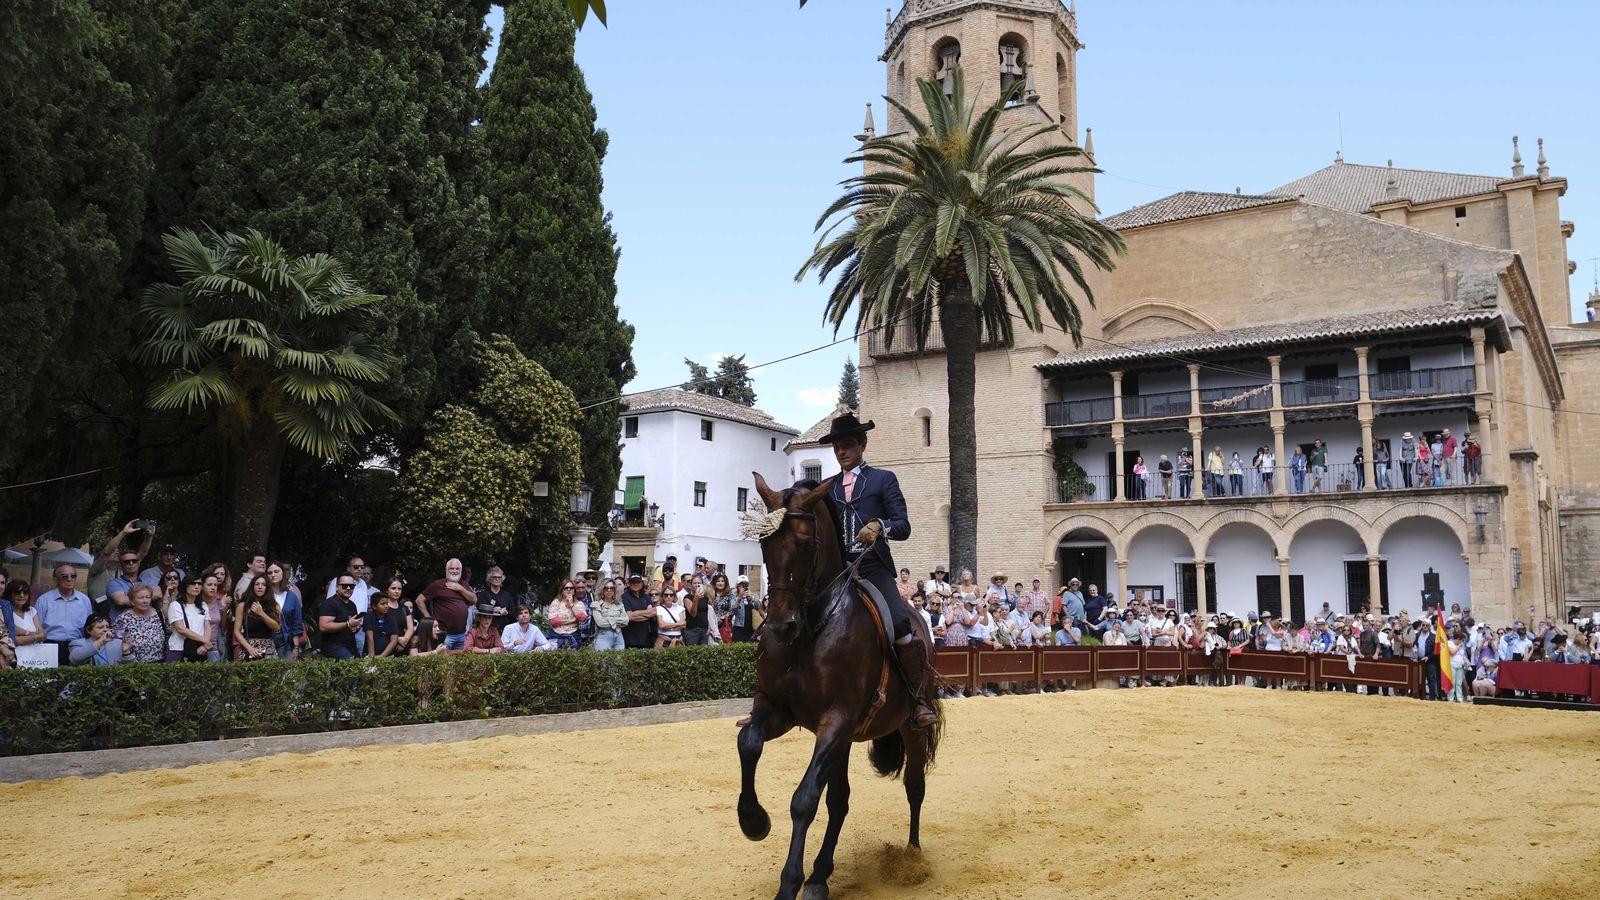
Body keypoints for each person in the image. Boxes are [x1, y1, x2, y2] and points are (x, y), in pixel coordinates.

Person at [819, 412, 937, 726]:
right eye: (836, 447)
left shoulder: (884, 479)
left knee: (899, 621)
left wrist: (880, 526)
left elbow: (903, 526)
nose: (841, 452)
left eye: (847, 445)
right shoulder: (827, 487)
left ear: (862, 444)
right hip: (837, 571)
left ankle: (917, 699)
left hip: (873, 566)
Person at [38, 564, 94, 664]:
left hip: (77, 645)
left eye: (73, 576)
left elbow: (90, 626)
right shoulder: (44, 600)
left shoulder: (84, 600)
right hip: (50, 644)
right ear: (55, 580)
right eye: (65, 576)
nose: (69, 579)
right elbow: (37, 627)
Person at [415, 559, 476, 651]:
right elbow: (419, 600)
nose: (454, 571)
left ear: (460, 570)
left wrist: (460, 588)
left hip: (461, 634)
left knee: (459, 659)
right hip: (444, 634)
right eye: (452, 568)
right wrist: (429, 618)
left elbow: (474, 599)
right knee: (443, 659)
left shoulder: (463, 584)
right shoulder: (437, 585)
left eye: (457, 569)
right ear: (446, 570)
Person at [112, 583, 167, 663]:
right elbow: (116, 643)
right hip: (134, 665)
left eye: (147, 597)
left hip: (160, 663)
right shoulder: (123, 618)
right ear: (132, 601)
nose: (145, 601)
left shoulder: (159, 614)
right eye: (140, 598)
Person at [232, 574, 281, 661]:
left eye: (263, 584)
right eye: (257, 584)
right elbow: (236, 631)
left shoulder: (274, 605)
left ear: (267, 588)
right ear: (252, 587)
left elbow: (277, 627)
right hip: (248, 647)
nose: (260, 587)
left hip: (268, 649)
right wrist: (249, 648)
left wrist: (261, 613)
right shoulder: (242, 606)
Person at [9, 579, 54, 668]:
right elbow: (15, 640)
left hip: (37, 657)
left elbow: (43, 635)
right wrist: (35, 636)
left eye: (25, 592)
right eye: (18, 592)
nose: (22, 595)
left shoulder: (32, 610)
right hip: (16, 657)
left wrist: (24, 637)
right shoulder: (6, 612)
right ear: (10, 594)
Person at [166, 576, 211, 662]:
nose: (197, 586)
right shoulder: (175, 605)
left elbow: (207, 627)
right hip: (179, 649)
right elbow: (181, 629)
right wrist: (205, 641)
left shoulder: (203, 605)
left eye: (199, 584)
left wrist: (205, 645)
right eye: (193, 583)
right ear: (185, 586)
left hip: (199, 649)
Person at [319, 573, 363, 660]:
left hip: (350, 645)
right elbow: (323, 626)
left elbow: (352, 625)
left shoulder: (352, 605)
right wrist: (347, 624)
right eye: (344, 586)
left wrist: (356, 627)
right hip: (333, 646)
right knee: (350, 664)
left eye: (351, 586)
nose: (348, 588)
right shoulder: (330, 603)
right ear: (337, 587)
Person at [267, 561, 306, 659]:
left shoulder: (291, 596)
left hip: (287, 644)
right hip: (267, 642)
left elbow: (296, 622)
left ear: (283, 573)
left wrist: (296, 647)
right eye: (270, 573)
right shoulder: (264, 596)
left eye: (276, 571)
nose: (273, 575)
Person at [362, 589, 407, 657]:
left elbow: (394, 640)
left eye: (387, 603)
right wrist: (372, 656)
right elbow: (369, 637)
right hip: (370, 654)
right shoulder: (369, 616)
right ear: (374, 606)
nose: (386, 606)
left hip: (388, 655)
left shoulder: (392, 618)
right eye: (382, 604)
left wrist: (382, 656)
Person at [546, 579, 587, 649]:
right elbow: (553, 621)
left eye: (571, 588)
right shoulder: (556, 602)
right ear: (562, 591)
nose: (568, 589)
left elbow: (582, 618)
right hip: (556, 636)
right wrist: (573, 620)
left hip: (574, 636)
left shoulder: (579, 604)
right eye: (566, 588)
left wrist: (571, 604)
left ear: (574, 590)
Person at [620, 573, 657, 648]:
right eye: (633, 582)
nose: (635, 584)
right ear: (629, 584)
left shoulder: (646, 597)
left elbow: (652, 612)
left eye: (638, 582)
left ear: (642, 583)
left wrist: (635, 613)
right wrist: (646, 614)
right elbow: (629, 616)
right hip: (629, 639)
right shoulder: (624, 597)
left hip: (646, 638)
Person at [475, 566, 517, 633]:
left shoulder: (507, 595)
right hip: (488, 630)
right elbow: (479, 609)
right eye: (494, 577)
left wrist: (506, 612)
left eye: (499, 577)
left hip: (504, 630)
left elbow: (513, 611)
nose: (497, 579)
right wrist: (493, 610)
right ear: (490, 579)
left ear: (502, 579)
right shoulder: (484, 594)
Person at [591, 583, 628, 651]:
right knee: (603, 658)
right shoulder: (596, 604)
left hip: (619, 636)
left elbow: (625, 621)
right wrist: (618, 621)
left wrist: (608, 619)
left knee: (619, 658)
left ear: (614, 590)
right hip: (603, 637)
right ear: (602, 589)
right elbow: (600, 623)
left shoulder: (619, 604)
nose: (609, 590)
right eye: (606, 588)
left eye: (611, 588)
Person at [731, 578, 759, 643]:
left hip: (751, 627)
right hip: (739, 627)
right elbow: (733, 611)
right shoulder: (734, 597)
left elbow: (759, 607)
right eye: (741, 585)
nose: (744, 587)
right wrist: (739, 597)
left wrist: (751, 598)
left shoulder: (754, 596)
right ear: (738, 586)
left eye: (746, 585)